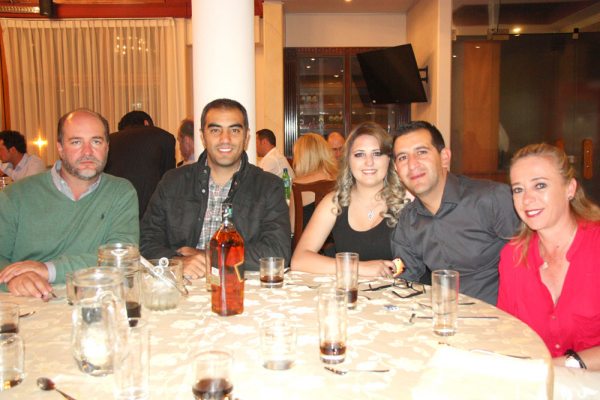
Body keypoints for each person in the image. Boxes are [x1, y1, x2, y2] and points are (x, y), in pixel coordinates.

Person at [141, 98, 291, 278]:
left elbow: (277, 251)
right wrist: (177, 261)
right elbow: (145, 241)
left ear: (246, 137)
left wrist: (211, 256)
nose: (225, 139)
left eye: (234, 130)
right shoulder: (172, 182)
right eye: (215, 130)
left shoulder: (268, 186)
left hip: (242, 287)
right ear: (203, 136)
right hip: (183, 284)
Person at [0, 109, 139, 299]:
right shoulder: (15, 196)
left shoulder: (120, 193)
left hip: (96, 301)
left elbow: (120, 257)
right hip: (27, 304)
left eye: (96, 141)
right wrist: (13, 279)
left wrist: (48, 270)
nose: (87, 152)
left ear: (107, 147)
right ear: (60, 148)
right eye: (76, 142)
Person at [391, 121, 519, 304]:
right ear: (397, 170)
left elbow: (532, 259)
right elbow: (404, 276)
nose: (412, 164)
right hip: (442, 315)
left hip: (500, 315)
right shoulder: (408, 220)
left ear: (444, 157)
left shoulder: (491, 199)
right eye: (403, 157)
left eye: (421, 152)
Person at [497, 143, 600, 370]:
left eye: (540, 185)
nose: (527, 199)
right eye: (518, 190)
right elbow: (508, 333)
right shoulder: (513, 256)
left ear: (569, 188)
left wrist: (560, 366)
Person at [291, 122, 406, 277]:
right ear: (348, 161)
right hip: (350, 290)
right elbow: (299, 260)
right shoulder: (334, 202)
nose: (369, 162)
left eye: (377, 153)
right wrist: (359, 267)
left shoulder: (407, 201)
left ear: (389, 159)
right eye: (359, 154)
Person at [105, 110, 175, 218]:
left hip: (116, 210)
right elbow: (169, 180)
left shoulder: (109, 141)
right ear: (146, 123)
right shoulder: (164, 137)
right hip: (152, 212)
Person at [289, 133, 338, 231]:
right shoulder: (339, 179)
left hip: (307, 239)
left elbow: (292, 227)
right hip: (338, 238)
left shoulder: (298, 184)